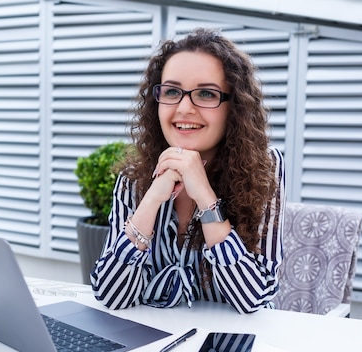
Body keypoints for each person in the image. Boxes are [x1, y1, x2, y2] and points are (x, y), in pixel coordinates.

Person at [90, 28, 285, 314]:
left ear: (235, 107)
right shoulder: (135, 175)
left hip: (231, 345)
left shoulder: (265, 167)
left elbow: (253, 299)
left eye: (206, 93)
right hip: (152, 342)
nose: (184, 108)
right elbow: (112, 296)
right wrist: (151, 200)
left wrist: (206, 199)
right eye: (171, 91)